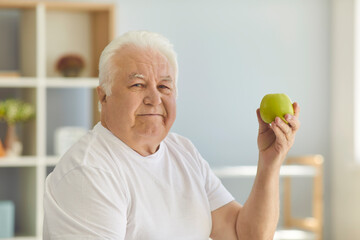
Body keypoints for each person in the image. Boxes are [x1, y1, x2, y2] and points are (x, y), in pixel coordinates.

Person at [43, 31, 300, 240]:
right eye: (137, 84)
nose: (154, 99)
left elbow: (244, 235)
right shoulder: (88, 171)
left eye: (164, 86)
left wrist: (270, 163)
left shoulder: (182, 150)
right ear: (103, 97)